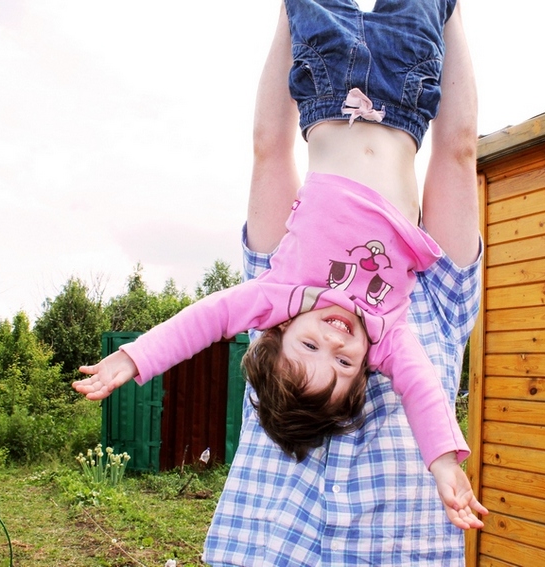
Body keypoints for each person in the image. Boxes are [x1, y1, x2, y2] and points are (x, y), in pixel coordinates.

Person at [202, 1, 484, 564]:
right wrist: (446, 10)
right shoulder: (440, 296)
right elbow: (458, 152)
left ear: (275, 333)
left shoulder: (282, 284)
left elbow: (269, 147)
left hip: (268, 548)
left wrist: (290, 11)